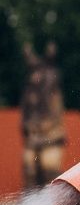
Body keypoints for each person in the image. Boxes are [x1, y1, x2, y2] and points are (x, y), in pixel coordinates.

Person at [20, 42, 66, 187]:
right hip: (34, 135)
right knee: (29, 168)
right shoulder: (30, 92)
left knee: (50, 168)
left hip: (51, 135)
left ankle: (50, 198)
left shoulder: (51, 85)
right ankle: (31, 201)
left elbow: (55, 113)